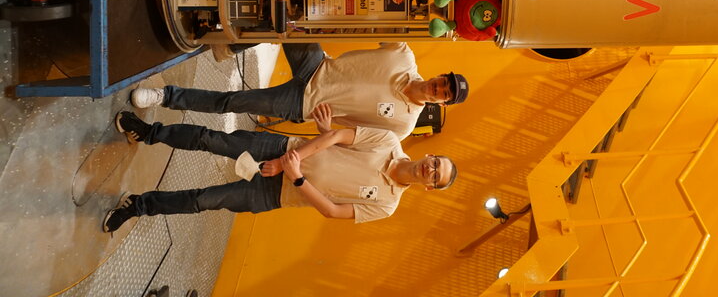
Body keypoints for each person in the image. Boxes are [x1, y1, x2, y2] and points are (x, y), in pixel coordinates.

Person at [103, 103, 456, 231]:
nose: (431, 169)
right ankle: (148, 132)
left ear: (430, 186)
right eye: (436, 163)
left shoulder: (387, 205)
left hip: (277, 194)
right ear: (430, 156)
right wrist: (293, 159)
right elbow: (335, 137)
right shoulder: (390, 143)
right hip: (281, 148)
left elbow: (333, 211)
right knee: (211, 139)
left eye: (436, 177)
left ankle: (139, 205)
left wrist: (296, 178)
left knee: (204, 200)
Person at [131, 42, 469, 138]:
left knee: (232, 102)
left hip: (303, 104)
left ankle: (164, 96)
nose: (439, 88)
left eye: (444, 93)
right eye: (443, 81)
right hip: (317, 64)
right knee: (285, 14)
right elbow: (376, 22)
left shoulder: (403, 126)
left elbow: (355, 139)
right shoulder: (403, 54)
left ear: (441, 102)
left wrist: (325, 129)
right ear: (440, 75)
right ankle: (225, 43)